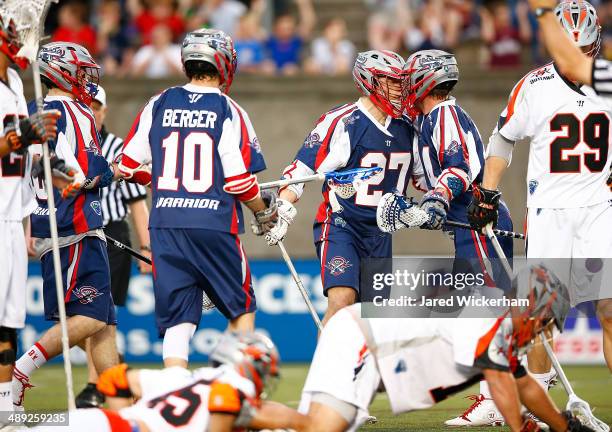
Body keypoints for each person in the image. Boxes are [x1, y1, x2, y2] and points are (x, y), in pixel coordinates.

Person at [466, 0, 612, 424]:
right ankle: (541, 409)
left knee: (609, 310)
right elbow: (503, 138)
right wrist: (487, 192)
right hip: (549, 212)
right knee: (540, 321)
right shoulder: (535, 85)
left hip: (601, 208)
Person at [118, 29, 277, 369]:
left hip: (165, 226)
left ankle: (176, 395)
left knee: (179, 321)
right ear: (224, 64)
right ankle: (234, 391)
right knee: (241, 309)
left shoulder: (158, 102)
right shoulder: (228, 109)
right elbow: (238, 182)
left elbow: (127, 167)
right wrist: (264, 211)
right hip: (213, 223)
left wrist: (161, 181)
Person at [297, 265, 594, 432]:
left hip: (361, 334)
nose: (544, 329)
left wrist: (563, 426)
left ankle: (251, 414)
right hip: (362, 340)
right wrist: (522, 428)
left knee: (312, 426)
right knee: (323, 429)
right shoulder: (490, 320)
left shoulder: (497, 323)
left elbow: (525, 386)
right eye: (546, 320)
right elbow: (501, 382)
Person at [391, 49, 514, 426]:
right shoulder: (429, 119)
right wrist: (420, 206)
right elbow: (429, 177)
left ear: (424, 81)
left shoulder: (443, 115)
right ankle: (513, 385)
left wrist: (436, 200)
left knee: (485, 309)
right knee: (484, 307)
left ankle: (497, 396)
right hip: (469, 222)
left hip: (479, 218)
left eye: (410, 78)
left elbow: (458, 169)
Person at [266, 50, 415, 326]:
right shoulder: (343, 122)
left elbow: (423, 177)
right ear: (369, 80)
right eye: (391, 82)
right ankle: (326, 369)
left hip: (382, 234)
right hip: (342, 226)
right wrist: (283, 209)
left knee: (376, 322)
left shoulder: (409, 126)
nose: (399, 89)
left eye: (400, 82)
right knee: (342, 303)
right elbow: (302, 169)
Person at [12, 42, 121, 410]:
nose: (86, 78)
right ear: (61, 71)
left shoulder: (37, 108)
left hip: (54, 223)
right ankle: (21, 369)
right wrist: (114, 171)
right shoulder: (76, 110)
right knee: (90, 317)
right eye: (81, 70)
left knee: (103, 321)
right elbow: (91, 171)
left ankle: (120, 403)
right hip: (72, 224)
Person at [0, 11, 73, 424]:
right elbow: (14, 140)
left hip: (12, 215)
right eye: (15, 29)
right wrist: (21, 136)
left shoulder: (13, 83)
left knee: (8, 323)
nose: (24, 36)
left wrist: (51, 169)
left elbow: (21, 153)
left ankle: (4, 410)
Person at [31, 332, 309, 432]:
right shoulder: (234, 387)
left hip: (101, 421)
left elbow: (115, 378)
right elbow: (222, 399)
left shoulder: (184, 377)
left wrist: (123, 416)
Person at [74, 86, 152, 409]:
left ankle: (96, 385)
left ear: (104, 111)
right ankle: (115, 368)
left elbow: (137, 201)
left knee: (100, 315)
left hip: (113, 235)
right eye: (87, 106)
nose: (93, 112)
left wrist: (146, 247)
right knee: (76, 319)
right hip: (78, 234)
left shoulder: (118, 146)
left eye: (97, 107)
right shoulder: (72, 142)